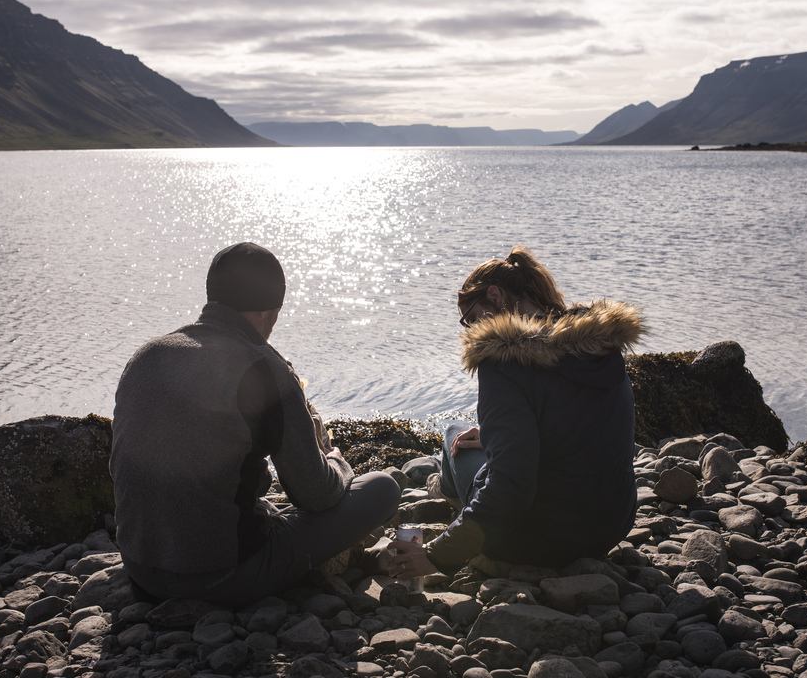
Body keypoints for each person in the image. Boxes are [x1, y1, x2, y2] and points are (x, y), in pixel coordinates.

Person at [111, 242, 401, 606]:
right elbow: (316, 494)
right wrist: (335, 459)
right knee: (383, 488)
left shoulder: (147, 355)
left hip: (141, 567)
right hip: (222, 575)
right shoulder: (265, 370)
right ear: (271, 313)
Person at [389, 246, 643, 579]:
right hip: (609, 528)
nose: (469, 330)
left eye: (470, 318)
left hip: (535, 542)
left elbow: (511, 486)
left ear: (494, 296)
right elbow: (577, 425)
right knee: (476, 437)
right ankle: (467, 507)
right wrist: (494, 435)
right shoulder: (598, 344)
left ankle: (460, 513)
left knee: (453, 432)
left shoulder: (503, 362)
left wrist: (437, 557)